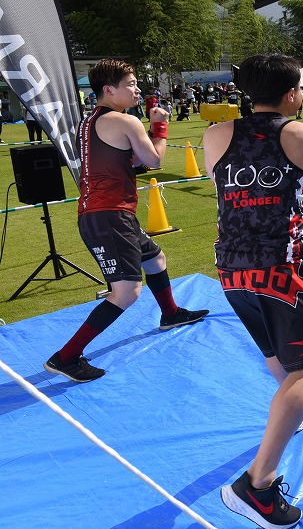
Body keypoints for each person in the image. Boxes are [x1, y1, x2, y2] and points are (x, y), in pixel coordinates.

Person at [205, 54, 303, 529]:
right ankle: (257, 483)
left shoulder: (216, 135)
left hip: (231, 263)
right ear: (293, 92)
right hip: (284, 267)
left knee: (276, 349)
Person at [43, 60, 207, 383]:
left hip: (107, 213)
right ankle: (66, 357)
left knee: (156, 258)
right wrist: (159, 126)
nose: (136, 88)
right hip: (109, 216)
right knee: (127, 292)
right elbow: (154, 160)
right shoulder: (125, 121)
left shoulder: (88, 122)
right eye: (130, 84)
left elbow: (125, 162)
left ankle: (170, 313)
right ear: (109, 90)